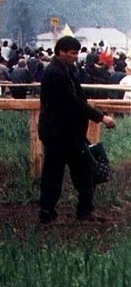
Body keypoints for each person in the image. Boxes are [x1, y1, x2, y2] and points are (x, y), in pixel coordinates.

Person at [38, 36, 116, 224]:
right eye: (72, 53)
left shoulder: (69, 70)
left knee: (87, 169)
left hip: (72, 133)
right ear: (60, 52)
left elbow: (80, 98)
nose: (76, 56)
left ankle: (85, 210)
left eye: (77, 53)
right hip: (57, 133)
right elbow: (72, 102)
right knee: (53, 174)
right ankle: (47, 214)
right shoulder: (54, 73)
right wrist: (101, 117)